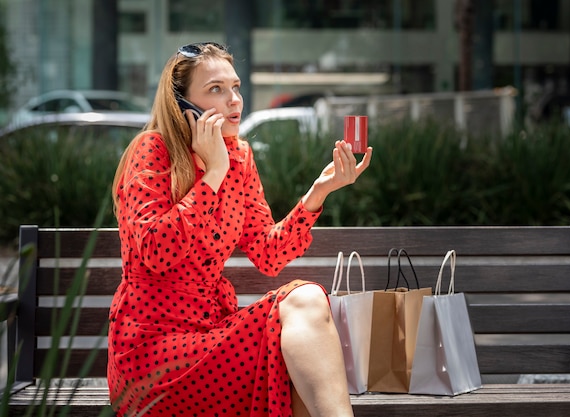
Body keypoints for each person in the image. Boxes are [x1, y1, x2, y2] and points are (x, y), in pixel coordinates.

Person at [107, 41, 373, 417]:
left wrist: (318, 192)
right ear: (182, 104)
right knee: (296, 338)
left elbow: (268, 253)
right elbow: (156, 252)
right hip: (152, 356)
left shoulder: (240, 156)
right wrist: (212, 174)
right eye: (216, 89)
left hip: (211, 338)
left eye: (236, 87)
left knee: (306, 301)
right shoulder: (152, 151)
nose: (234, 100)